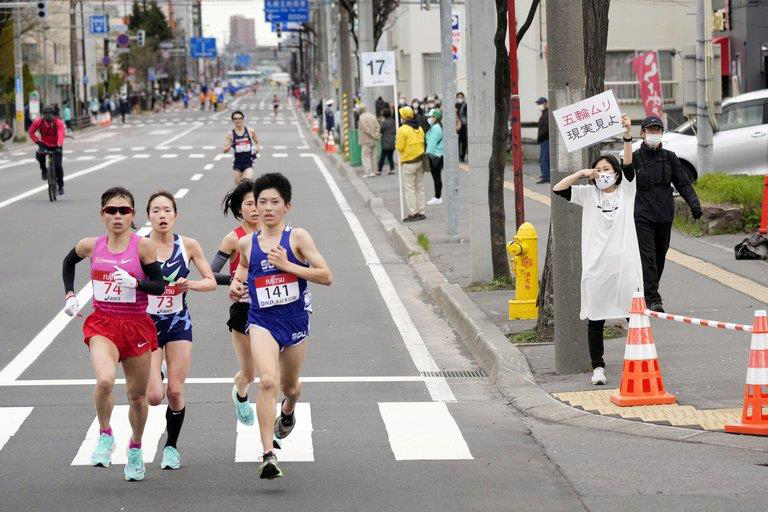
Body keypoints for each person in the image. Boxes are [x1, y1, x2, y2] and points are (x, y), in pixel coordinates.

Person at [229, 173, 332, 480]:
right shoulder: (246, 243)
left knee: (290, 387)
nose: (268, 208)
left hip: (295, 320)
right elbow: (243, 272)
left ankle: (288, 410)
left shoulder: (298, 238)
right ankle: (267, 454)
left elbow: (326, 275)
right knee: (267, 382)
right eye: (262, 202)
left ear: (287, 206)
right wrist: (235, 286)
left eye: (275, 202)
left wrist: (288, 266)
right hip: (262, 321)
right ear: (255, 207)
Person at [61, 187, 166, 481]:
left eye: (124, 211)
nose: (118, 216)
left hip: (136, 325)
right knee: (105, 380)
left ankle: (134, 446)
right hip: (103, 323)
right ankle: (105, 434)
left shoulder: (143, 247)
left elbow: (159, 286)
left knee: (136, 397)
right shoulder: (91, 246)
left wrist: (136, 283)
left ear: (132, 215)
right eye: (111, 210)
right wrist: (70, 295)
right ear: (102, 214)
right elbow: (68, 262)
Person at [552, 114, 642, 386]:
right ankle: (598, 367)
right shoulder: (588, 194)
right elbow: (558, 189)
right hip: (596, 267)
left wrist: (627, 135)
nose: (603, 174)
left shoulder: (627, 191)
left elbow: (628, 164)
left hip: (624, 265)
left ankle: (638, 360)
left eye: (607, 170)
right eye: (598, 170)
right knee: (596, 318)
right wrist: (581, 173)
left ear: (616, 173)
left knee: (633, 316)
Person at [144, 191, 216, 470]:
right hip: (147, 325)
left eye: (167, 211)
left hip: (178, 323)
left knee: (174, 391)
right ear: (148, 216)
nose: (162, 216)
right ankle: (156, 369)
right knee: (153, 397)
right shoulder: (139, 247)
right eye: (156, 211)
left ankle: (171, 446)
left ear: (175, 215)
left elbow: (210, 281)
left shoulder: (188, 245)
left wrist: (192, 285)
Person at [208, 180, 262, 437]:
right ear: (240, 209)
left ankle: (270, 433)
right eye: (249, 204)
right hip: (243, 309)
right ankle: (240, 392)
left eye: (258, 203)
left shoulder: (275, 233)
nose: (255, 209)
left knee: (273, 373)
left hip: (273, 310)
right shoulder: (233, 239)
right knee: (250, 374)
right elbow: (211, 274)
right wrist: (237, 282)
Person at [633, 116, 702, 312]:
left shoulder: (670, 157)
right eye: (650, 130)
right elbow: (626, 178)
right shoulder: (636, 157)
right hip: (642, 216)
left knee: (659, 257)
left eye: (657, 130)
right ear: (642, 133)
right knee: (647, 257)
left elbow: (682, 183)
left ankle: (648, 292)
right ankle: (653, 298)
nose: (654, 134)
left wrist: (694, 205)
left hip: (664, 215)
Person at [395, 106, 426, 222]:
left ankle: (414, 213)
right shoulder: (419, 128)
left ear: (403, 117)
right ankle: (422, 211)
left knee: (410, 188)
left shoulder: (402, 129)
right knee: (419, 187)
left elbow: (400, 147)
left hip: (409, 163)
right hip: (420, 161)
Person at [28, 105, 66, 195]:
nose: (48, 115)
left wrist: (59, 145)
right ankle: (44, 170)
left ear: (53, 114)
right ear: (43, 114)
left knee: (58, 166)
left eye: (50, 113)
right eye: (45, 113)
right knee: (40, 155)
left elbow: (61, 134)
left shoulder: (58, 122)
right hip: (44, 144)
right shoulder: (39, 122)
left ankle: (60, 186)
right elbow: (31, 132)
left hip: (57, 145)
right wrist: (37, 142)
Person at [222, 110, 261, 185]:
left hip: (249, 161)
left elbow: (258, 142)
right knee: (239, 188)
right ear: (233, 120)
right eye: (236, 119)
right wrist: (231, 145)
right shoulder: (230, 134)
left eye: (240, 118)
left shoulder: (250, 131)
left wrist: (257, 149)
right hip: (237, 163)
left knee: (246, 183)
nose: (238, 120)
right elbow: (224, 150)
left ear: (243, 119)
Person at [425, 108, 444, 205]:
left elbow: (431, 144)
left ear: (435, 117)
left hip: (435, 156)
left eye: (430, 117)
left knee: (436, 177)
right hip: (438, 155)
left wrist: (427, 155)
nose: (429, 118)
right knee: (437, 177)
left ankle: (438, 196)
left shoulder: (435, 128)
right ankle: (437, 196)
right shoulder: (437, 126)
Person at [358, 106, 380, 178]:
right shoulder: (373, 116)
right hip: (374, 140)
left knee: (366, 156)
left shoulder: (362, 118)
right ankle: (374, 171)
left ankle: (368, 172)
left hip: (366, 140)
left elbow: (365, 129)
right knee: (373, 156)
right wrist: (376, 135)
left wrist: (372, 135)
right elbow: (377, 126)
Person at [535, 97, 550, 184]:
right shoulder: (544, 113)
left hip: (545, 139)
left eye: (540, 103)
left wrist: (541, 136)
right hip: (544, 139)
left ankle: (546, 176)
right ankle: (546, 174)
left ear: (545, 103)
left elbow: (546, 128)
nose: (539, 105)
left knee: (544, 159)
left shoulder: (547, 114)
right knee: (545, 158)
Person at [377, 108, 396, 175]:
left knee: (382, 156)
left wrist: (381, 122)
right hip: (393, 141)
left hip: (386, 142)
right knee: (390, 156)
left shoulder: (384, 123)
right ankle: (392, 169)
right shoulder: (393, 121)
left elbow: (380, 130)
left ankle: (379, 170)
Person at [455, 92, 468, 163]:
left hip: (464, 126)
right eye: (458, 97)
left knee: (464, 142)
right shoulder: (454, 105)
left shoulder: (465, 105)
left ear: (463, 98)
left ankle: (462, 157)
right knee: (456, 141)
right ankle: (457, 157)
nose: (460, 98)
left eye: (461, 97)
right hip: (455, 126)